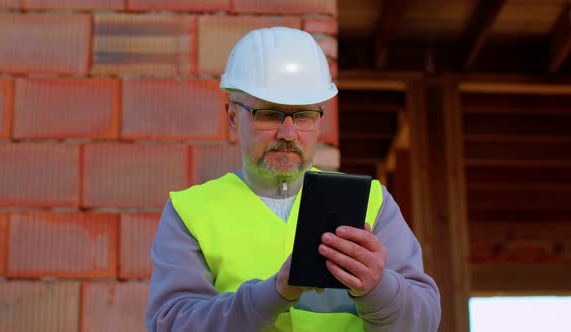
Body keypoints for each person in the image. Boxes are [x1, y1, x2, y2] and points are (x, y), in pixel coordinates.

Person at [146, 27, 441, 332]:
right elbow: (172, 325)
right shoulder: (191, 212)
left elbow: (424, 321)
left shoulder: (372, 202)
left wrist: (378, 287)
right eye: (269, 114)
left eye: (303, 115)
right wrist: (272, 294)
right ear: (232, 115)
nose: (288, 134)